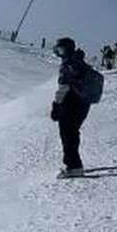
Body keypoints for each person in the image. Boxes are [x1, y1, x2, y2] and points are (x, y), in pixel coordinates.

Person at [50, 37, 91, 177]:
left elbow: (63, 87)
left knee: (67, 133)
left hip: (71, 102)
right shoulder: (80, 61)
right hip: (84, 103)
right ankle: (74, 163)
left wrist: (56, 105)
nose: (59, 53)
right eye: (58, 50)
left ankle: (74, 167)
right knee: (72, 132)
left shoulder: (68, 63)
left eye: (61, 50)